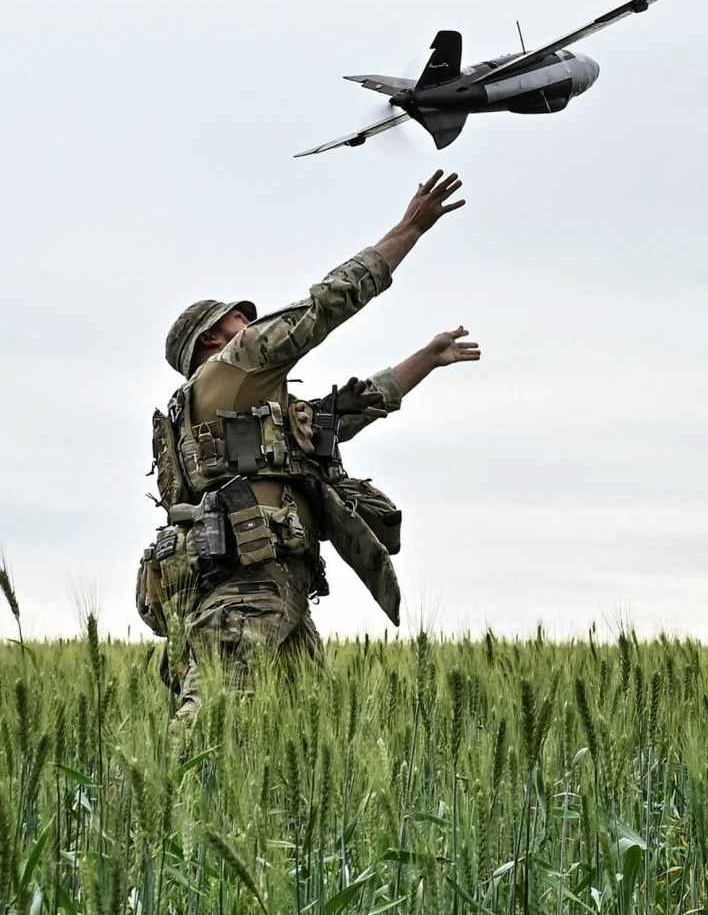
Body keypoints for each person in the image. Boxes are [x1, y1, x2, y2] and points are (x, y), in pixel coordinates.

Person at [138, 170, 474, 736]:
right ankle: (140, 813)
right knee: (211, 715)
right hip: (247, 585)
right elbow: (324, 307)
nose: (254, 320)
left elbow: (348, 411)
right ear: (219, 337)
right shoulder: (234, 367)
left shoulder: (240, 411)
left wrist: (427, 357)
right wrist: (408, 230)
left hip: (278, 581)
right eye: (239, 318)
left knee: (304, 734)